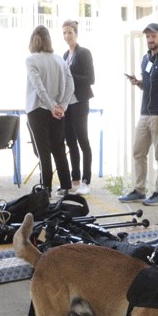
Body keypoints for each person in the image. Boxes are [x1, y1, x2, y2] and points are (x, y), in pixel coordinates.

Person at [121, 23, 158, 206]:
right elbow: (149, 85)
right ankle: (139, 190)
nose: (150, 39)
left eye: (153, 36)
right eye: (147, 36)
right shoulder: (146, 59)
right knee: (138, 152)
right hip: (145, 113)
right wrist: (138, 83)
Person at [26, 25, 75, 196]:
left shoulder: (31, 60)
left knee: (43, 151)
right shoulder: (60, 60)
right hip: (58, 110)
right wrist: (62, 106)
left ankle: (45, 188)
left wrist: (50, 106)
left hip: (37, 109)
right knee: (59, 149)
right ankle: (66, 185)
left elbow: (38, 87)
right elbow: (71, 85)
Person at [62, 20, 95, 196]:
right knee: (70, 140)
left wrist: (69, 75)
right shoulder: (64, 55)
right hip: (67, 103)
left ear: (76, 33)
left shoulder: (84, 53)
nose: (67, 36)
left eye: (70, 32)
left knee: (83, 140)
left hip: (80, 101)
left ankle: (86, 180)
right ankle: (74, 179)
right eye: (64, 33)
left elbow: (91, 79)